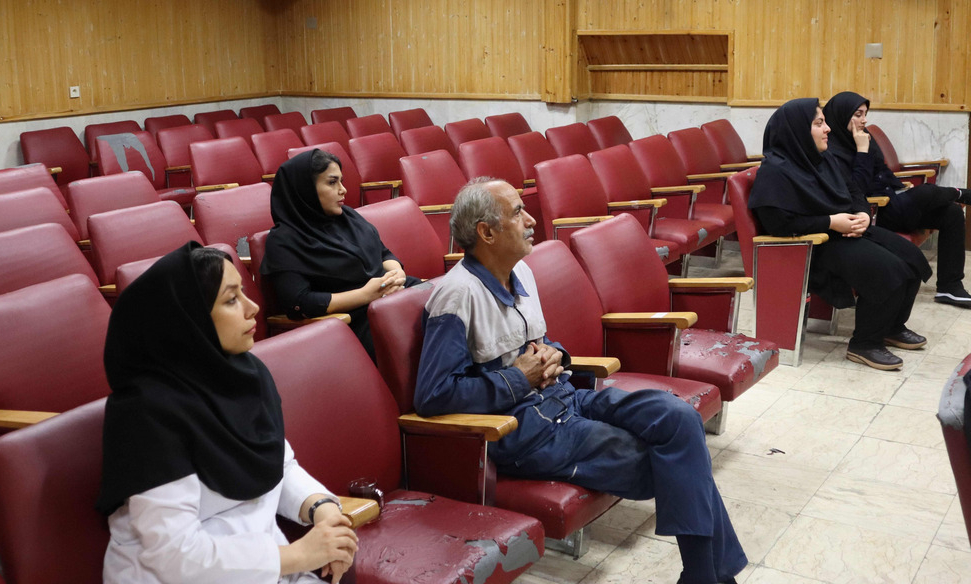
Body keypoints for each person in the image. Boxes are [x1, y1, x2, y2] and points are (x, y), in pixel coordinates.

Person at [414, 177, 746, 584]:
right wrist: (519, 378)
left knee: (679, 419)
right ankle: (705, 577)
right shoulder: (456, 297)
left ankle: (702, 578)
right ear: (486, 232)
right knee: (665, 461)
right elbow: (434, 395)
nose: (531, 220)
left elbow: (535, 342)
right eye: (517, 213)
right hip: (526, 429)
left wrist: (556, 354)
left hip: (567, 398)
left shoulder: (521, 273)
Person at [97, 242, 358, 583]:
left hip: (263, 568)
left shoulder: (243, 376)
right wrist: (300, 555)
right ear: (190, 319)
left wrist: (322, 509)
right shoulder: (147, 415)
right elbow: (175, 555)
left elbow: (277, 466)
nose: (253, 308)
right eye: (232, 299)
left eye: (244, 293)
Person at [749, 98, 932, 370]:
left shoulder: (823, 158)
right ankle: (864, 344)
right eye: (818, 123)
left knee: (911, 258)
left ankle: (892, 326)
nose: (828, 129)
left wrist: (862, 213)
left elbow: (853, 190)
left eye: (825, 122)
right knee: (887, 270)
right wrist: (831, 222)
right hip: (814, 245)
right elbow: (778, 223)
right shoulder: (775, 171)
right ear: (797, 130)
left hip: (843, 230)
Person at [261, 149, 420, 360]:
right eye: (332, 182)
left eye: (341, 181)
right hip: (352, 319)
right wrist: (365, 294)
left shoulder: (348, 217)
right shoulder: (284, 240)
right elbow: (299, 302)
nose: (343, 190)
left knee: (441, 302)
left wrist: (397, 273)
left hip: (387, 295)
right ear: (305, 189)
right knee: (423, 336)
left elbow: (383, 253)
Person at [823, 90, 971, 308]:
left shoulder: (864, 137)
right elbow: (856, 190)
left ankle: (950, 287)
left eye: (865, 114)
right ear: (841, 115)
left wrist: (898, 187)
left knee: (952, 212)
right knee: (925, 193)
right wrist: (862, 151)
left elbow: (882, 172)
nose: (864, 120)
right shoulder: (830, 151)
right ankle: (960, 193)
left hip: (890, 200)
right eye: (857, 115)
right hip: (873, 212)